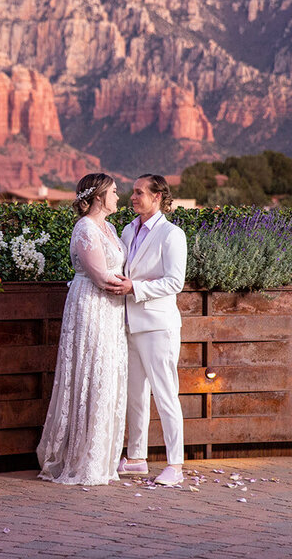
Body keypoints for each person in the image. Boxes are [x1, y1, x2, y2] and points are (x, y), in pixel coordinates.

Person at [36, 172, 128, 486]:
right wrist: (134, 287)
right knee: (91, 372)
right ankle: (82, 457)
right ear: (100, 195)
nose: (119, 196)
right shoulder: (85, 227)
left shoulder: (111, 228)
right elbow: (102, 277)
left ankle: (102, 457)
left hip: (112, 310)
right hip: (92, 304)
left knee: (107, 374)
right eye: (115, 191)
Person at [105, 174, 188, 487]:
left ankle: (175, 465)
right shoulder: (128, 229)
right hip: (129, 323)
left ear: (158, 197)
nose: (133, 197)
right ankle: (137, 458)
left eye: (139, 193)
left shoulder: (172, 234)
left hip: (157, 326)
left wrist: (133, 288)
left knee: (166, 395)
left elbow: (174, 282)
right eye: (133, 192)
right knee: (136, 396)